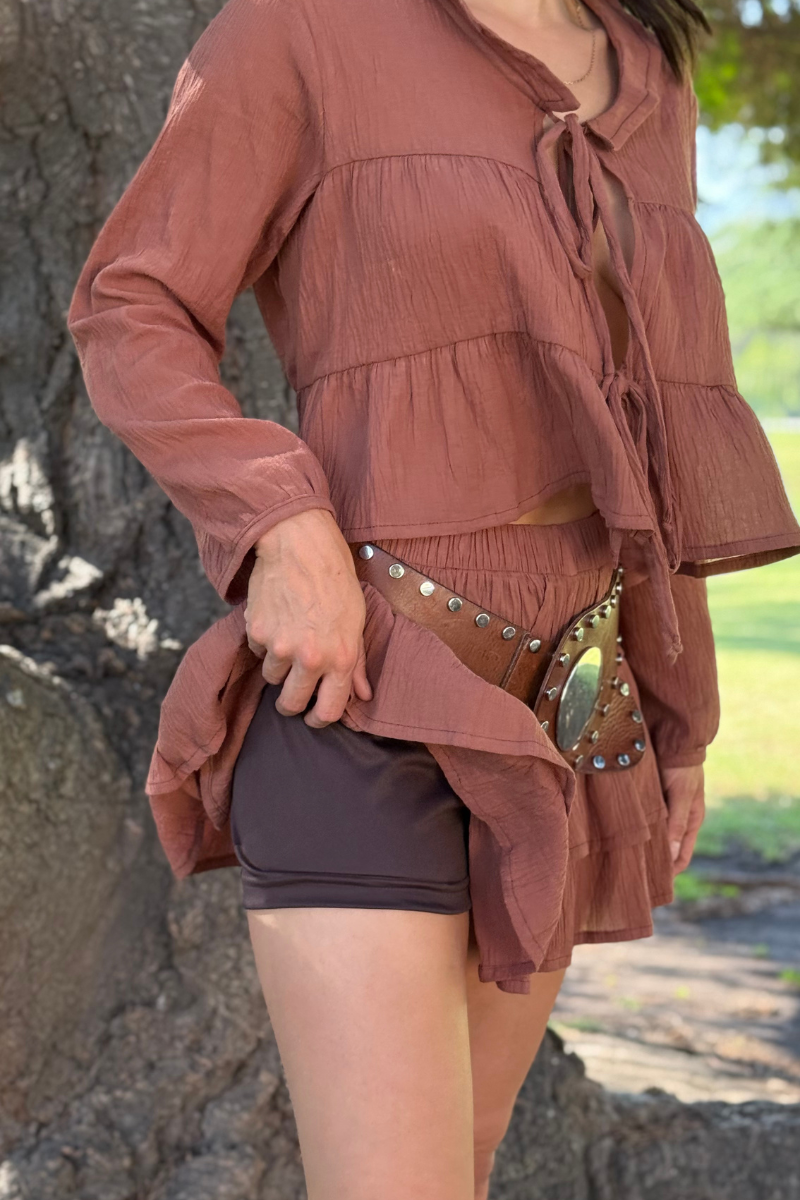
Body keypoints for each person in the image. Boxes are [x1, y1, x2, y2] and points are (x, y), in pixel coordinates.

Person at [67, 0, 800, 1195]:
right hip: (364, 692)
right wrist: (276, 519)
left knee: (461, 1163)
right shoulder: (301, 28)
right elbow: (130, 303)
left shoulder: (645, 68)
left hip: (572, 707)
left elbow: (651, 438)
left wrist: (681, 714)